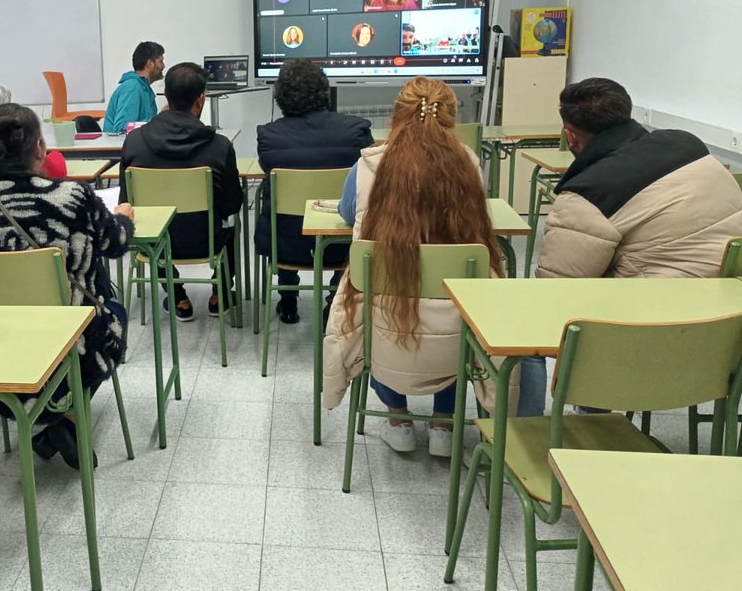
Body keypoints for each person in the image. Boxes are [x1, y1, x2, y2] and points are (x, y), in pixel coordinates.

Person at [324, 78, 510, 457]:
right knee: (453, 312)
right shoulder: (469, 163)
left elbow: (346, 214)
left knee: (368, 308)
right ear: (451, 118)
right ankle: (443, 425)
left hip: (384, 343)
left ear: (396, 116)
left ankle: (398, 419)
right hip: (455, 349)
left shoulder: (367, 165)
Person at [0, 103, 134, 468]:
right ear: (38, 149)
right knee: (116, 313)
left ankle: (47, 418)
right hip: (65, 341)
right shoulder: (72, 197)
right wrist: (124, 218)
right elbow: (115, 244)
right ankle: (59, 412)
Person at [537, 78, 742, 279]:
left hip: (665, 305)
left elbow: (559, 286)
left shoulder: (586, 195)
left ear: (570, 136)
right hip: (731, 292)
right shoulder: (687, 143)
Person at [118, 62, 242, 320]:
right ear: (200, 100)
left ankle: (176, 296)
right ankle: (219, 293)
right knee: (232, 224)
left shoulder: (135, 142)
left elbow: (126, 201)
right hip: (207, 239)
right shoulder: (219, 146)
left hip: (156, 243)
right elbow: (232, 204)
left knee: (154, 229)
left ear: (165, 94)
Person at [255, 60, 372, 323]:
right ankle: (334, 299)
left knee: (281, 211)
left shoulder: (268, 135)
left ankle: (287, 298)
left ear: (280, 96)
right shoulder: (356, 130)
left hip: (284, 244)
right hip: (339, 244)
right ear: (324, 91)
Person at [103, 41, 164, 133]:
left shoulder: (144, 88)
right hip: (121, 146)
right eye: (160, 61)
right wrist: (158, 122)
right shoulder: (132, 87)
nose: (163, 66)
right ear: (150, 63)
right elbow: (121, 128)